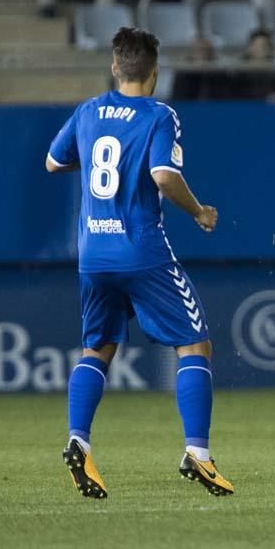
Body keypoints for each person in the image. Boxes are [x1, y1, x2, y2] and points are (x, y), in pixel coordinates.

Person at [46, 27, 233, 498]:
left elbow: (52, 162)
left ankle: (78, 441)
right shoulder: (159, 114)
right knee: (195, 346)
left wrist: (93, 158)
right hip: (141, 251)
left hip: (92, 254)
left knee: (98, 349)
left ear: (115, 67)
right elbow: (164, 175)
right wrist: (199, 211)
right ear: (155, 72)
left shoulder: (88, 111)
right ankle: (198, 454)